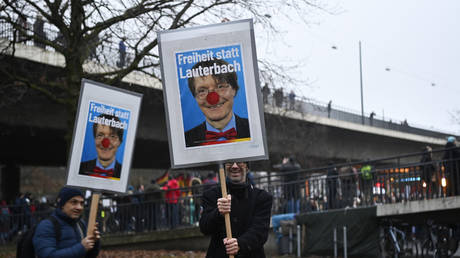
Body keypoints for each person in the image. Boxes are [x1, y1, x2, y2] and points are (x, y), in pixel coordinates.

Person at [199, 162, 273, 257]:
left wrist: (240, 244)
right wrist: (218, 213)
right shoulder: (211, 195)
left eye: (240, 162)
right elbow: (204, 228)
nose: (234, 166)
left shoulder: (262, 197)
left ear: (247, 167)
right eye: (230, 162)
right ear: (224, 167)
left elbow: (260, 231)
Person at [185, 59, 250, 147]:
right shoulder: (186, 141)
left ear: (234, 89)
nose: (212, 98)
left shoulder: (254, 131)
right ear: (195, 97)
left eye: (220, 87)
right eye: (202, 91)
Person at [33, 187, 100, 258]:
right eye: (74, 202)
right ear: (62, 204)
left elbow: (88, 255)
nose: (79, 207)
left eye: (81, 203)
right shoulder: (46, 226)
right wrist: (81, 248)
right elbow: (47, 255)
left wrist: (94, 242)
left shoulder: (80, 223)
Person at [79, 114, 124, 179]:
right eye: (100, 135)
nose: (105, 143)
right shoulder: (80, 168)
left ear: (120, 142)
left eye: (112, 136)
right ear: (94, 139)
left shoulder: (124, 175)